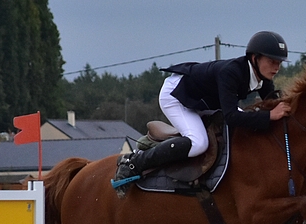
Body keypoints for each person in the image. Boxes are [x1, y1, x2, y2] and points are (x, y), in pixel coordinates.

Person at [112, 31, 292, 194]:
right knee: (199, 143)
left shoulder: (264, 78)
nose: (276, 67)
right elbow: (231, 117)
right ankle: (134, 162)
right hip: (177, 95)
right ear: (255, 58)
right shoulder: (231, 72)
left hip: (204, 99)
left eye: (279, 63)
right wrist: (269, 116)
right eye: (272, 61)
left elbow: (273, 105)